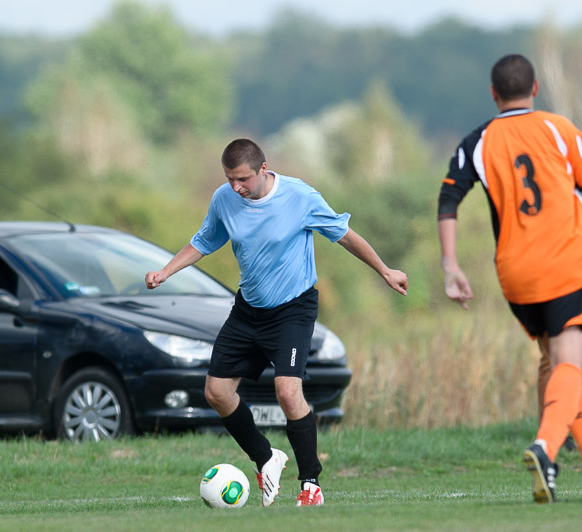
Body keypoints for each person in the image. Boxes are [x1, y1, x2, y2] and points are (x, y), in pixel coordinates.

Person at [146, 138, 408, 507]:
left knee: (288, 391)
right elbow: (204, 241)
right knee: (216, 393)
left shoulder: (299, 198)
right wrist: (166, 271)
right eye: (230, 179)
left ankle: (311, 484)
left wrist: (384, 271)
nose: (236, 187)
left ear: (263, 170)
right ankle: (266, 458)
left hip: (293, 310)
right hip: (248, 309)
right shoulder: (225, 198)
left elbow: (345, 236)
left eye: (243, 179)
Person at [437, 53, 582, 503]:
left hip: (514, 274)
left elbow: (449, 200)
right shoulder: (558, 128)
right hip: (564, 262)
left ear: (493, 94)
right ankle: (545, 447)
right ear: (536, 87)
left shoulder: (478, 139)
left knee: (557, 362)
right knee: (569, 362)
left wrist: (451, 266)